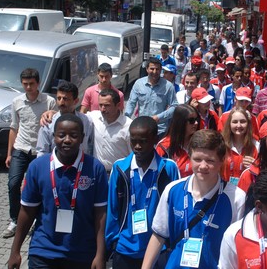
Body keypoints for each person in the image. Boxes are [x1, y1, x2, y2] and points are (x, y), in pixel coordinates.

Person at [7, 114, 108, 269]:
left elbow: (100, 214)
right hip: (43, 250)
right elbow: (27, 211)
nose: (67, 140)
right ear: (54, 137)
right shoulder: (38, 167)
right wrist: (15, 251)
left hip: (82, 252)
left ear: (82, 138)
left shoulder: (95, 168)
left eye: (73, 136)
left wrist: (100, 254)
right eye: (61, 135)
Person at [141, 130, 246, 268]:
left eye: (210, 160)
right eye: (197, 159)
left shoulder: (236, 198)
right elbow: (159, 235)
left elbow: (237, 248)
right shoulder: (173, 190)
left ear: (222, 161)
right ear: (189, 157)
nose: (203, 166)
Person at [105, 116, 180, 268]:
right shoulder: (119, 168)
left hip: (159, 248)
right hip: (125, 249)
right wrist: (113, 241)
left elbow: (175, 206)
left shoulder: (169, 168)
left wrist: (172, 242)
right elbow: (112, 208)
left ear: (154, 139)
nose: (137, 146)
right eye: (133, 141)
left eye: (143, 141)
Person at [4, 68, 57, 238]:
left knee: (38, 186)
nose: (28, 87)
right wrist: (9, 153)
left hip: (39, 151)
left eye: (31, 84)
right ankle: (15, 219)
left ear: (38, 83)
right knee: (13, 184)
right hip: (21, 147)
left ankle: (35, 219)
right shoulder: (17, 102)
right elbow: (13, 128)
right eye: (25, 84)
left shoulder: (49, 101)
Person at [36, 81, 94, 157]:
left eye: (65, 99)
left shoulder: (86, 121)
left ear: (76, 101)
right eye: (59, 98)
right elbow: (42, 151)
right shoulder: (49, 122)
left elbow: (91, 145)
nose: (61, 102)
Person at [125, 57, 178, 138]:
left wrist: (158, 117)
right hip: (142, 128)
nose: (154, 72)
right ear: (147, 69)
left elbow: (174, 107)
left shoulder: (168, 86)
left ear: (161, 70)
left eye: (157, 69)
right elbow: (131, 102)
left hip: (160, 130)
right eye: (152, 69)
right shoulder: (138, 84)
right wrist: (126, 118)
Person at [156, 104, 200, 178]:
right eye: (191, 120)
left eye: (197, 119)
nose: (196, 123)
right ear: (180, 122)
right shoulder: (164, 147)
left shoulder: (199, 142)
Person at [221, 107, 258, 185]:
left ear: (248, 124)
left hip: (246, 192)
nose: (239, 125)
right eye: (235, 122)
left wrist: (255, 165)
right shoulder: (221, 145)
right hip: (224, 191)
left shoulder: (257, 146)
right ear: (229, 124)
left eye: (243, 121)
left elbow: (263, 173)